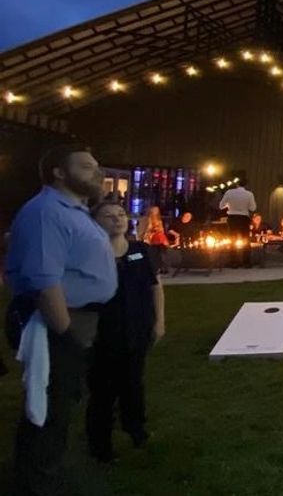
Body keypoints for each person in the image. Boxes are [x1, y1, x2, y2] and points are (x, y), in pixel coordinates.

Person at [5, 143, 116, 495]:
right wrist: (66, 334)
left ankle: (45, 471)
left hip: (78, 317)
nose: (97, 173)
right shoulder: (45, 212)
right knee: (48, 403)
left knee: (61, 401)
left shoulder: (75, 211)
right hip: (55, 319)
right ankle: (36, 481)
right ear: (59, 172)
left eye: (97, 166)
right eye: (86, 166)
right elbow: (44, 280)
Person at [86, 201, 165, 463]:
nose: (116, 219)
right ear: (95, 222)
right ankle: (101, 446)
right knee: (103, 390)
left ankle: (136, 430)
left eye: (120, 214)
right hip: (103, 331)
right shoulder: (89, 254)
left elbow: (156, 287)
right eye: (108, 216)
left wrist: (159, 321)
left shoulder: (140, 251)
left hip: (137, 328)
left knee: (133, 383)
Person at [219, 179, 256, 265]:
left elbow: (221, 206)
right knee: (246, 240)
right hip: (244, 218)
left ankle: (233, 262)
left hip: (233, 218)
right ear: (246, 185)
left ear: (236, 184)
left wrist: (229, 205)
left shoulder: (229, 192)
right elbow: (253, 208)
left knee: (232, 240)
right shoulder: (249, 194)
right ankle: (246, 262)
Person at [137, 206, 170, 274]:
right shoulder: (147, 219)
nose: (155, 212)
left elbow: (161, 230)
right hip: (150, 239)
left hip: (159, 239)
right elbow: (144, 230)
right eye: (154, 210)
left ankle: (162, 267)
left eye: (156, 210)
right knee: (148, 253)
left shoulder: (159, 220)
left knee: (161, 254)